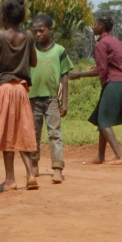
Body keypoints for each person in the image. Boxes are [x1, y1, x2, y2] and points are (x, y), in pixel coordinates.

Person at [0, 0, 39, 193]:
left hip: (3, 89)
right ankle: (31, 175)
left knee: (8, 135)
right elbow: (34, 62)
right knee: (22, 132)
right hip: (21, 90)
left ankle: (10, 180)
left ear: (4, 18)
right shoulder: (29, 36)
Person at [69, 13, 122, 165]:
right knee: (101, 117)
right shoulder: (116, 41)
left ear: (102, 26)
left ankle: (119, 156)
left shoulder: (101, 44)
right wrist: (98, 68)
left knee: (103, 120)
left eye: (95, 24)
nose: (93, 27)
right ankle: (100, 156)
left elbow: (102, 71)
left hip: (114, 83)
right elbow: (111, 64)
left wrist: (79, 74)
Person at [29, 13, 74, 184]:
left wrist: (64, 102)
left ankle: (57, 167)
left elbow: (64, 77)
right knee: (33, 134)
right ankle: (34, 165)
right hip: (33, 98)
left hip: (52, 99)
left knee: (55, 133)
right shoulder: (31, 50)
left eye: (41, 30)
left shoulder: (59, 51)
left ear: (50, 30)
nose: (38, 34)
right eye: (35, 31)